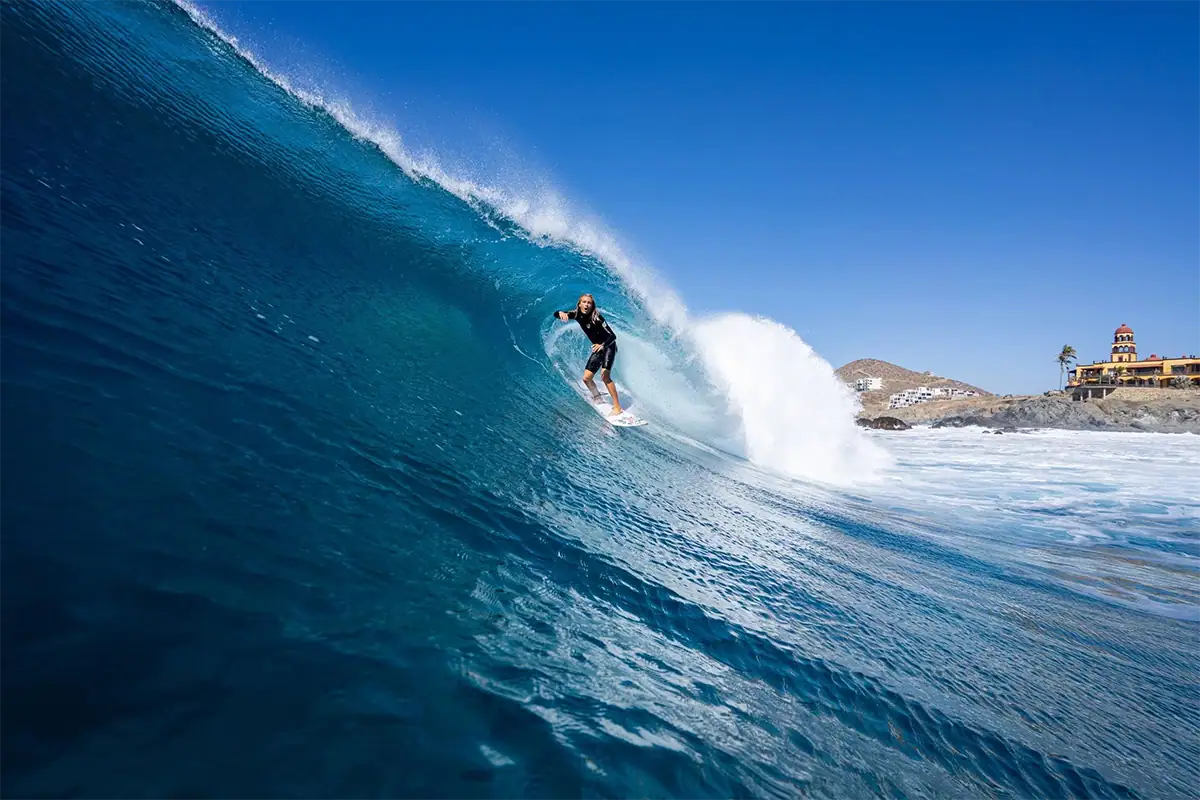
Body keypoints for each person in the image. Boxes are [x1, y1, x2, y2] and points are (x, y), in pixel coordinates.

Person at [554, 293, 623, 415]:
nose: (586, 304)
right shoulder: (576, 314)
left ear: (592, 305)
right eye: (584, 302)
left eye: (589, 303)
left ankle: (617, 407)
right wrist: (560, 313)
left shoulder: (597, 318)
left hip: (608, 346)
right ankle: (597, 397)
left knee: (604, 376)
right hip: (598, 348)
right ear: (579, 304)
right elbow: (558, 315)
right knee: (586, 378)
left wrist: (602, 345)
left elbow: (612, 336)